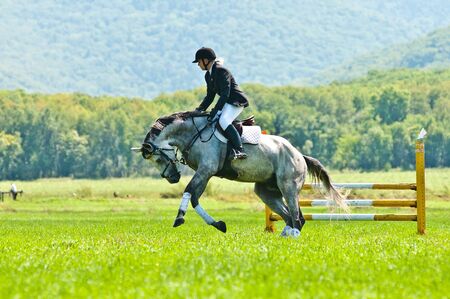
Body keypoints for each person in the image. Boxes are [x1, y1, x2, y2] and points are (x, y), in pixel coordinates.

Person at [193, 47, 249, 160]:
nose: (198, 64)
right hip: (227, 102)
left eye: (199, 61)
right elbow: (210, 96)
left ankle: (239, 149)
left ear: (206, 60)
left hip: (236, 101)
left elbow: (225, 95)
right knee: (212, 120)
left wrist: (215, 110)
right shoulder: (208, 75)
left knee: (223, 120)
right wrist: (199, 109)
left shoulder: (221, 71)